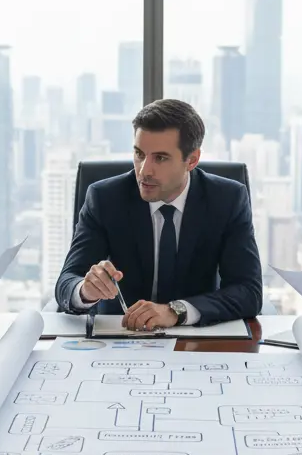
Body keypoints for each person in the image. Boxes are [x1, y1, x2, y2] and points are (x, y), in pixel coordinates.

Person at [55, 99, 262, 329]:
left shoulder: (227, 200)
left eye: (160, 158)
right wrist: (85, 290)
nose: (144, 171)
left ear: (192, 160)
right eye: (139, 154)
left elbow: (248, 292)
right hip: (121, 336)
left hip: (197, 341)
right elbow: (66, 282)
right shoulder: (105, 199)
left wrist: (176, 311)